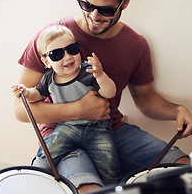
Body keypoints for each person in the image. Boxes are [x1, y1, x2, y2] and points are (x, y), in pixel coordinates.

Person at [14, 0, 192, 193]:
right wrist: (78, 109)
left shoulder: (136, 44)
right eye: (87, 5)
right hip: (61, 134)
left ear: (125, 1)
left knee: (186, 171)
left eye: (106, 9)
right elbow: (21, 110)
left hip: (111, 130)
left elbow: (145, 98)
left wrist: (177, 111)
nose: (94, 16)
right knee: (90, 189)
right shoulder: (49, 39)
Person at [12, 25, 121, 183]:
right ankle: (35, 178)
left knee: (110, 167)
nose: (68, 57)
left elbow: (110, 92)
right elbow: (37, 95)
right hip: (67, 127)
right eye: (57, 54)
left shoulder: (88, 71)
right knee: (47, 153)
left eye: (72, 49)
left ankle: (113, 186)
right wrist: (27, 93)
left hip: (97, 128)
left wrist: (100, 75)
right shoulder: (49, 78)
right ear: (46, 61)